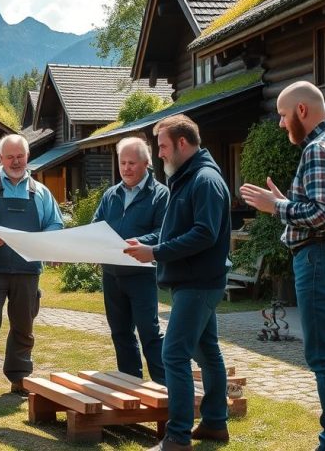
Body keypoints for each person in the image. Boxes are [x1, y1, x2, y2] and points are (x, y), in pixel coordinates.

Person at [240, 81, 325, 451]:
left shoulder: (318, 149)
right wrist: (289, 203)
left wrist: (277, 207)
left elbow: (324, 215)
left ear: (302, 111)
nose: (282, 124)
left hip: (324, 257)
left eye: (284, 115)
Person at [124, 115, 230, 451]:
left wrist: (154, 252)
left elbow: (204, 233)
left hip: (198, 284)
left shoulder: (204, 180)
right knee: (207, 352)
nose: (160, 154)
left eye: (164, 147)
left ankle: (177, 437)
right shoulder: (186, 178)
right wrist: (145, 243)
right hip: (195, 282)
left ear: (182, 144)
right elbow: (176, 230)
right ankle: (214, 424)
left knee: (173, 354)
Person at [0, 134, 64, 402]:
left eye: (20, 156)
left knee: (23, 326)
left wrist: (49, 242)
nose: (16, 161)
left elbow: (55, 224)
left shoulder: (41, 192)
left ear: (27, 157)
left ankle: (19, 377)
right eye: (10, 157)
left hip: (28, 272)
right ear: (0, 159)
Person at [93, 137, 168, 384]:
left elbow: (164, 232)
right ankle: (130, 386)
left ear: (146, 163)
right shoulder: (111, 195)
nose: (126, 168)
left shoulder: (160, 194)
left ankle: (165, 389)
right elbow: (96, 226)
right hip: (112, 275)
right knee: (120, 333)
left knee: (149, 333)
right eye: (122, 162)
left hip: (141, 274)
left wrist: (136, 240)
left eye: (132, 163)